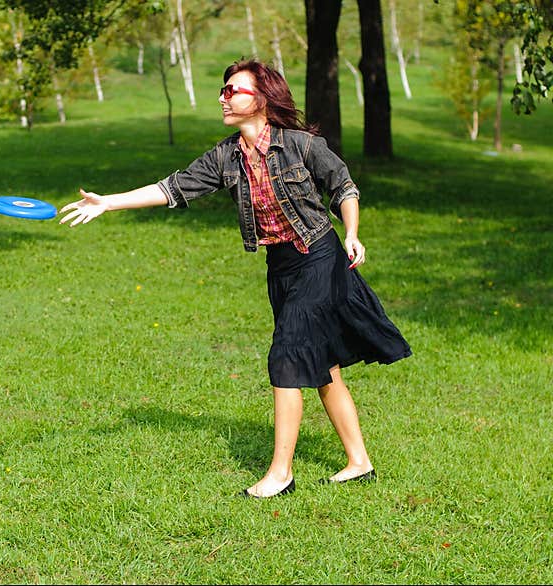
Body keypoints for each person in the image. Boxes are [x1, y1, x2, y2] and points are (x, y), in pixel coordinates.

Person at [59, 58, 412, 498]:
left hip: (320, 257)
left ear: (261, 99)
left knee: (287, 356)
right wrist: (108, 202)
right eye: (223, 90)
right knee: (322, 368)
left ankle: (280, 474)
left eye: (233, 90)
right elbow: (174, 187)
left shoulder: (301, 145)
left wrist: (353, 233)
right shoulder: (227, 156)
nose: (224, 97)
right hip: (281, 268)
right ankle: (359, 462)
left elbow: (343, 186)